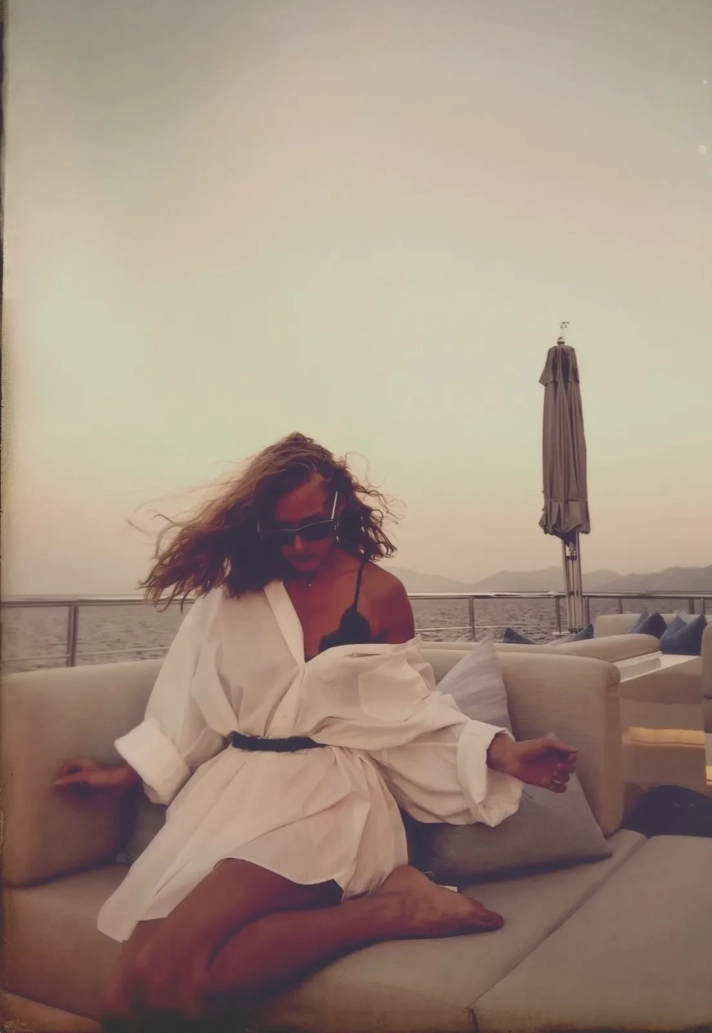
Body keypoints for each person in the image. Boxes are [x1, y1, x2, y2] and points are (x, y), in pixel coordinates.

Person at [55, 433, 578, 1028]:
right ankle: (396, 903)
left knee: (169, 979)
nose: (300, 545)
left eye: (314, 527)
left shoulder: (378, 594)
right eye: (282, 533)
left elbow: (408, 714)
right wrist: (125, 774)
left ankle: (396, 910)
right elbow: (190, 706)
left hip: (330, 795)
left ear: (341, 509)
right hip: (231, 796)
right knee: (125, 997)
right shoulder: (232, 596)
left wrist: (502, 752)